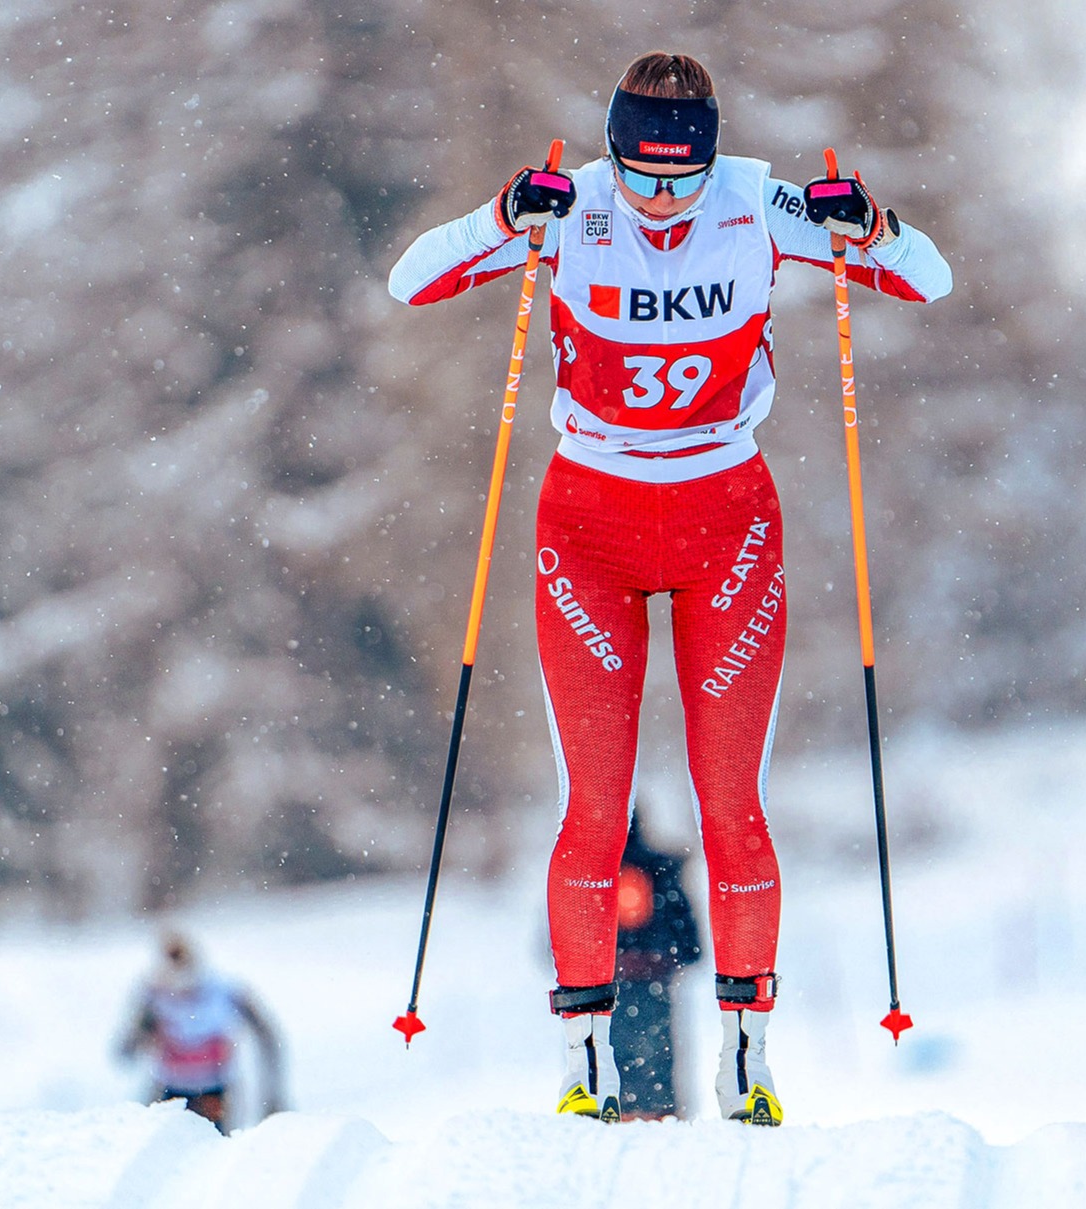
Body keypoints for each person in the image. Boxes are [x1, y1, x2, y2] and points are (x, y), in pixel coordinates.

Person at [388, 50, 951, 1125]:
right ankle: (582, 1059)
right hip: (588, 531)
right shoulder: (573, 208)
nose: (655, 202)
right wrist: (503, 219)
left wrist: (869, 223)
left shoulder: (756, 200)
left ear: (707, 162)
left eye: (676, 182)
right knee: (589, 814)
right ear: (608, 155)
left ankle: (749, 1053)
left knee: (732, 807)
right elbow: (411, 277)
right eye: (636, 177)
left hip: (723, 530)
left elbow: (929, 279)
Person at [115, 930, 287, 1129]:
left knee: (211, 1145)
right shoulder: (154, 994)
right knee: (159, 1140)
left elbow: (268, 1036)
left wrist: (273, 1094)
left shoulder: (224, 990)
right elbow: (128, 1046)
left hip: (214, 1088)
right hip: (169, 1086)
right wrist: (141, 1037)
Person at [613, 813, 703, 1120]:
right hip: (656, 985)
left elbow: (557, 946)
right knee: (657, 1056)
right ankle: (661, 1114)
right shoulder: (663, 870)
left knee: (606, 1055)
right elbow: (691, 944)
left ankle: (613, 1113)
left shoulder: (584, 876)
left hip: (602, 990)